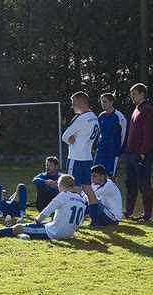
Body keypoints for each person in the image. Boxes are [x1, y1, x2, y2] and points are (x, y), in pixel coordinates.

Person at [0, 174, 86, 240]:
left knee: (19, 227)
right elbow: (80, 221)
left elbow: (48, 210)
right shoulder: (80, 200)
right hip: (68, 234)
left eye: (58, 186)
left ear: (61, 186)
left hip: (54, 232)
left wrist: (38, 219)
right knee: (24, 227)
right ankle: (9, 228)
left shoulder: (63, 195)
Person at [61, 91, 100, 229]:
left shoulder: (81, 118)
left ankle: (74, 221)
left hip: (76, 159)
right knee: (89, 190)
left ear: (81, 103)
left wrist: (71, 137)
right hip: (87, 158)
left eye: (74, 103)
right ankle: (94, 222)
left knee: (74, 190)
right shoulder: (94, 117)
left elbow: (65, 137)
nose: (72, 107)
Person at [123, 83, 153, 222]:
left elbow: (149, 133)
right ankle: (128, 213)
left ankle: (147, 215)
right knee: (130, 183)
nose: (132, 96)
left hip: (141, 153)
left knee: (143, 184)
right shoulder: (136, 110)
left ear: (142, 94)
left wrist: (142, 152)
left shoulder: (147, 110)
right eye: (131, 94)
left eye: (134, 94)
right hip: (131, 153)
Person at [94, 93, 127, 183]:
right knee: (95, 174)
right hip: (100, 151)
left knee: (111, 177)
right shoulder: (101, 116)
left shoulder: (119, 116)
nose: (103, 104)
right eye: (102, 102)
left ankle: (114, 196)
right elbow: (99, 133)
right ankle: (98, 196)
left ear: (111, 102)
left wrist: (121, 150)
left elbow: (124, 134)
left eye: (105, 101)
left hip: (112, 152)